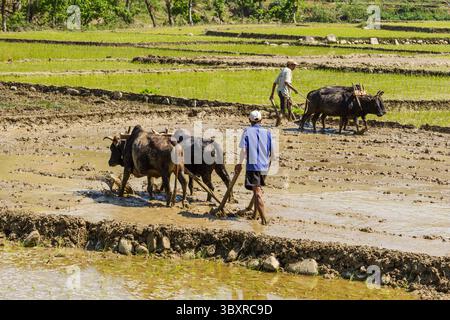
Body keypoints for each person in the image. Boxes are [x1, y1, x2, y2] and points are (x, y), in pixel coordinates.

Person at [234, 110, 273, 225]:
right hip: (265, 166)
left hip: (253, 166)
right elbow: (272, 152)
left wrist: (239, 163)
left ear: (249, 120)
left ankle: (264, 220)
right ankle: (255, 215)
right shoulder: (268, 132)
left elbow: (243, 150)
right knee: (258, 189)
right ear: (261, 120)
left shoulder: (247, 131)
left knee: (257, 192)